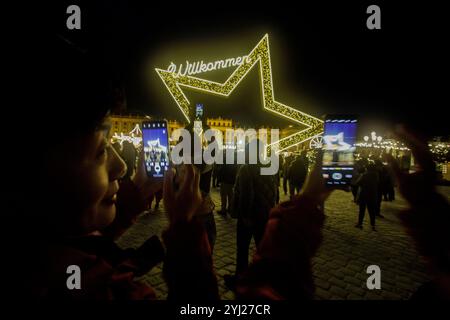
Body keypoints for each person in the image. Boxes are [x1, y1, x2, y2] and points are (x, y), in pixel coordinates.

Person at [224, 139, 277, 291]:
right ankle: (262, 279)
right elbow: (275, 191)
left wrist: (245, 216)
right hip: (265, 213)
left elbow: (247, 194)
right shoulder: (269, 165)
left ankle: (241, 278)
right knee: (261, 248)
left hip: (250, 215)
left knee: (242, 248)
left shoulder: (246, 168)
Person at [355, 163, 379, 230]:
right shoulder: (376, 175)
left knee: (362, 210)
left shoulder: (364, 175)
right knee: (372, 211)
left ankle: (360, 224)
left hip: (364, 194)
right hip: (373, 195)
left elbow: (357, 183)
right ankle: (373, 225)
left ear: (367, 169)